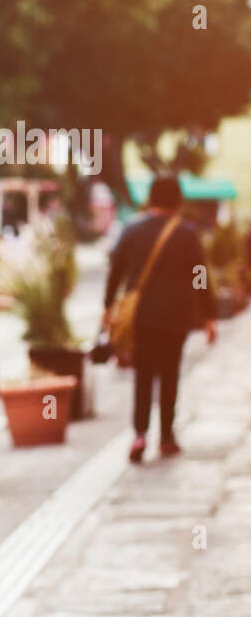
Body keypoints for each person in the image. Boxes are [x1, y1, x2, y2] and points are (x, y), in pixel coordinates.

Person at [101, 174, 217, 464]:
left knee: (142, 374)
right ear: (178, 201)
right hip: (176, 318)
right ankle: (166, 437)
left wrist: (107, 306)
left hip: (142, 317)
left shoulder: (132, 231)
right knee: (169, 374)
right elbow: (199, 276)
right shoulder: (186, 234)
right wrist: (209, 315)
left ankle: (140, 434)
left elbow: (116, 269)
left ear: (150, 199)